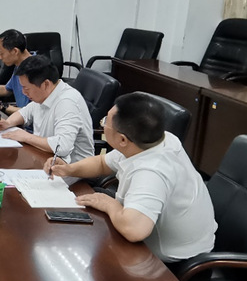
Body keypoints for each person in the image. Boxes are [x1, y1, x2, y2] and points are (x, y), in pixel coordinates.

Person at [44, 92, 216, 265]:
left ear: (122, 140)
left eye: (106, 121)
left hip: (176, 262)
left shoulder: (152, 172)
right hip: (151, 232)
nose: (103, 123)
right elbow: (102, 163)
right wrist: (69, 169)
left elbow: (134, 230)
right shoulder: (152, 141)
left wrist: (109, 204)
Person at [0, 55, 93, 163]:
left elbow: (62, 147)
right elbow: (25, 112)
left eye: (26, 88)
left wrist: (26, 137)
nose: (24, 92)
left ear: (46, 84)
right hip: (45, 159)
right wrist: (8, 123)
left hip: (71, 167)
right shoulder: (44, 94)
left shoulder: (67, 102)